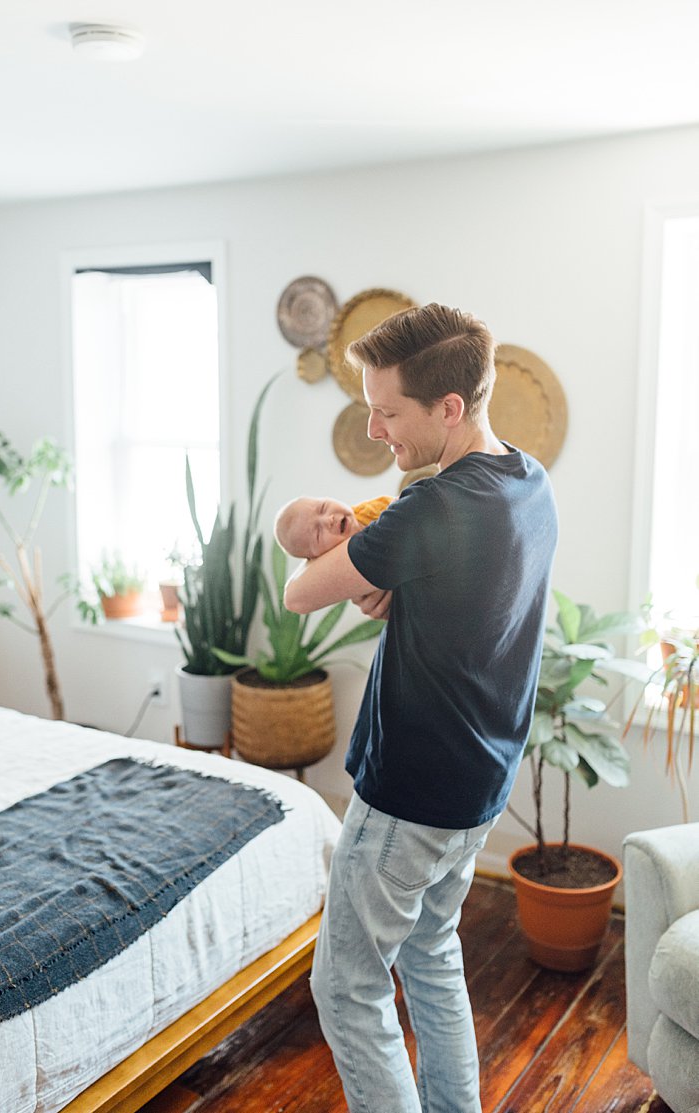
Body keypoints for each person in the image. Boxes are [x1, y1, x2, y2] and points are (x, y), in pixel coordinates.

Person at [282, 303, 557, 1112]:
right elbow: (489, 608)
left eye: (388, 410)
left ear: (448, 407)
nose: (373, 430)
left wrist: (312, 531)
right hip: (477, 786)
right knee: (431, 950)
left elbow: (301, 591)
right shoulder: (527, 482)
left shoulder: (430, 508)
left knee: (345, 988)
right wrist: (405, 598)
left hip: (407, 794)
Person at [274, 493, 391, 561]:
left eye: (323, 508)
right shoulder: (350, 565)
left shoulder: (364, 510)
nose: (328, 520)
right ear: (318, 560)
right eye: (318, 533)